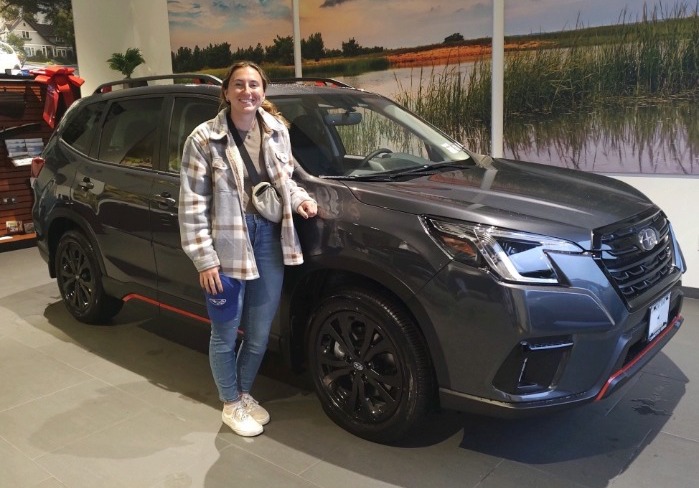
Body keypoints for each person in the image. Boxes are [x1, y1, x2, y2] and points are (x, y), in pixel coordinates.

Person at [178, 61, 318, 437]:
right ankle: (230, 403)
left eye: (254, 85)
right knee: (225, 332)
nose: (247, 91)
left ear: (263, 92)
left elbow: (285, 180)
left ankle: (242, 393)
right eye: (238, 84)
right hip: (227, 243)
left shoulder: (275, 131)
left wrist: (301, 199)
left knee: (258, 332)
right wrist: (204, 259)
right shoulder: (204, 139)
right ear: (226, 92)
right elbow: (191, 205)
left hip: (269, 237)